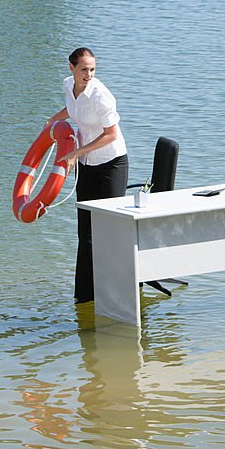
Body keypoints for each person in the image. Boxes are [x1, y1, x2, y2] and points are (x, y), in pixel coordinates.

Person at [46, 47, 129, 304]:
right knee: (86, 233)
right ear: (71, 67)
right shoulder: (68, 85)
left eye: (92, 69)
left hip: (110, 164)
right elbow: (72, 110)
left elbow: (111, 134)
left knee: (110, 230)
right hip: (86, 164)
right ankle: (84, 296)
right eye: (84, 69)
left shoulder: (101, 95)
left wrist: (75, 153)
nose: (89, 74)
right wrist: (51, 121)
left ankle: (118, 290)